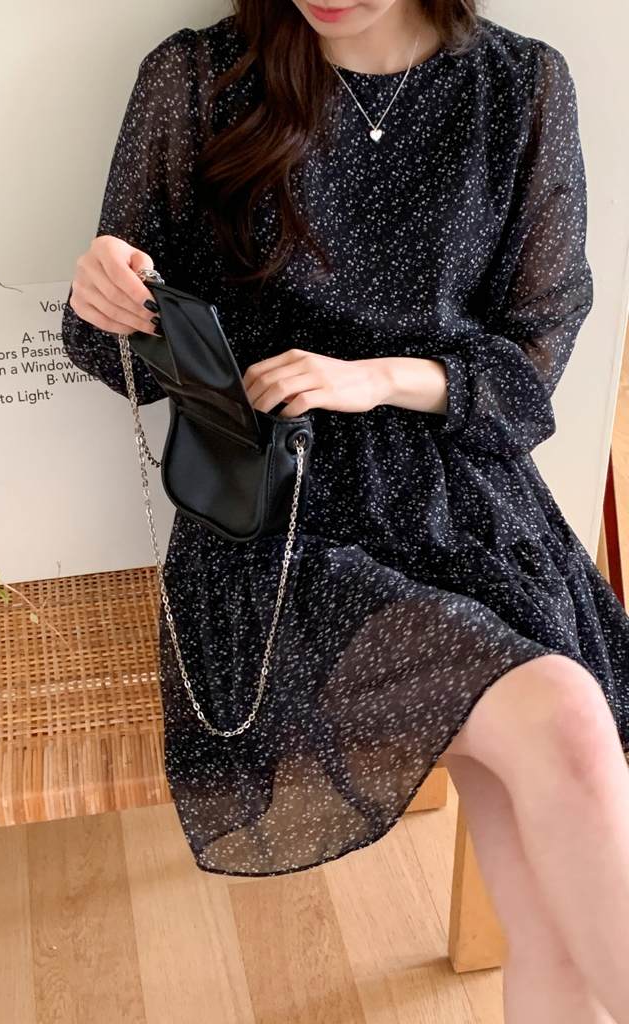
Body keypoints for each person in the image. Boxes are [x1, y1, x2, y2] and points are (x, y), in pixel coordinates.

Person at [61, 1, 629, 1019]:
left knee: (553, 905)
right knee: (568, 721)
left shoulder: (520, 87)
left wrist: (377, 378)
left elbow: (534, 364)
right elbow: (116, 352)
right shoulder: (196, 80)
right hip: (282, 528)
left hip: (467, 507)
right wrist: (106, 292)